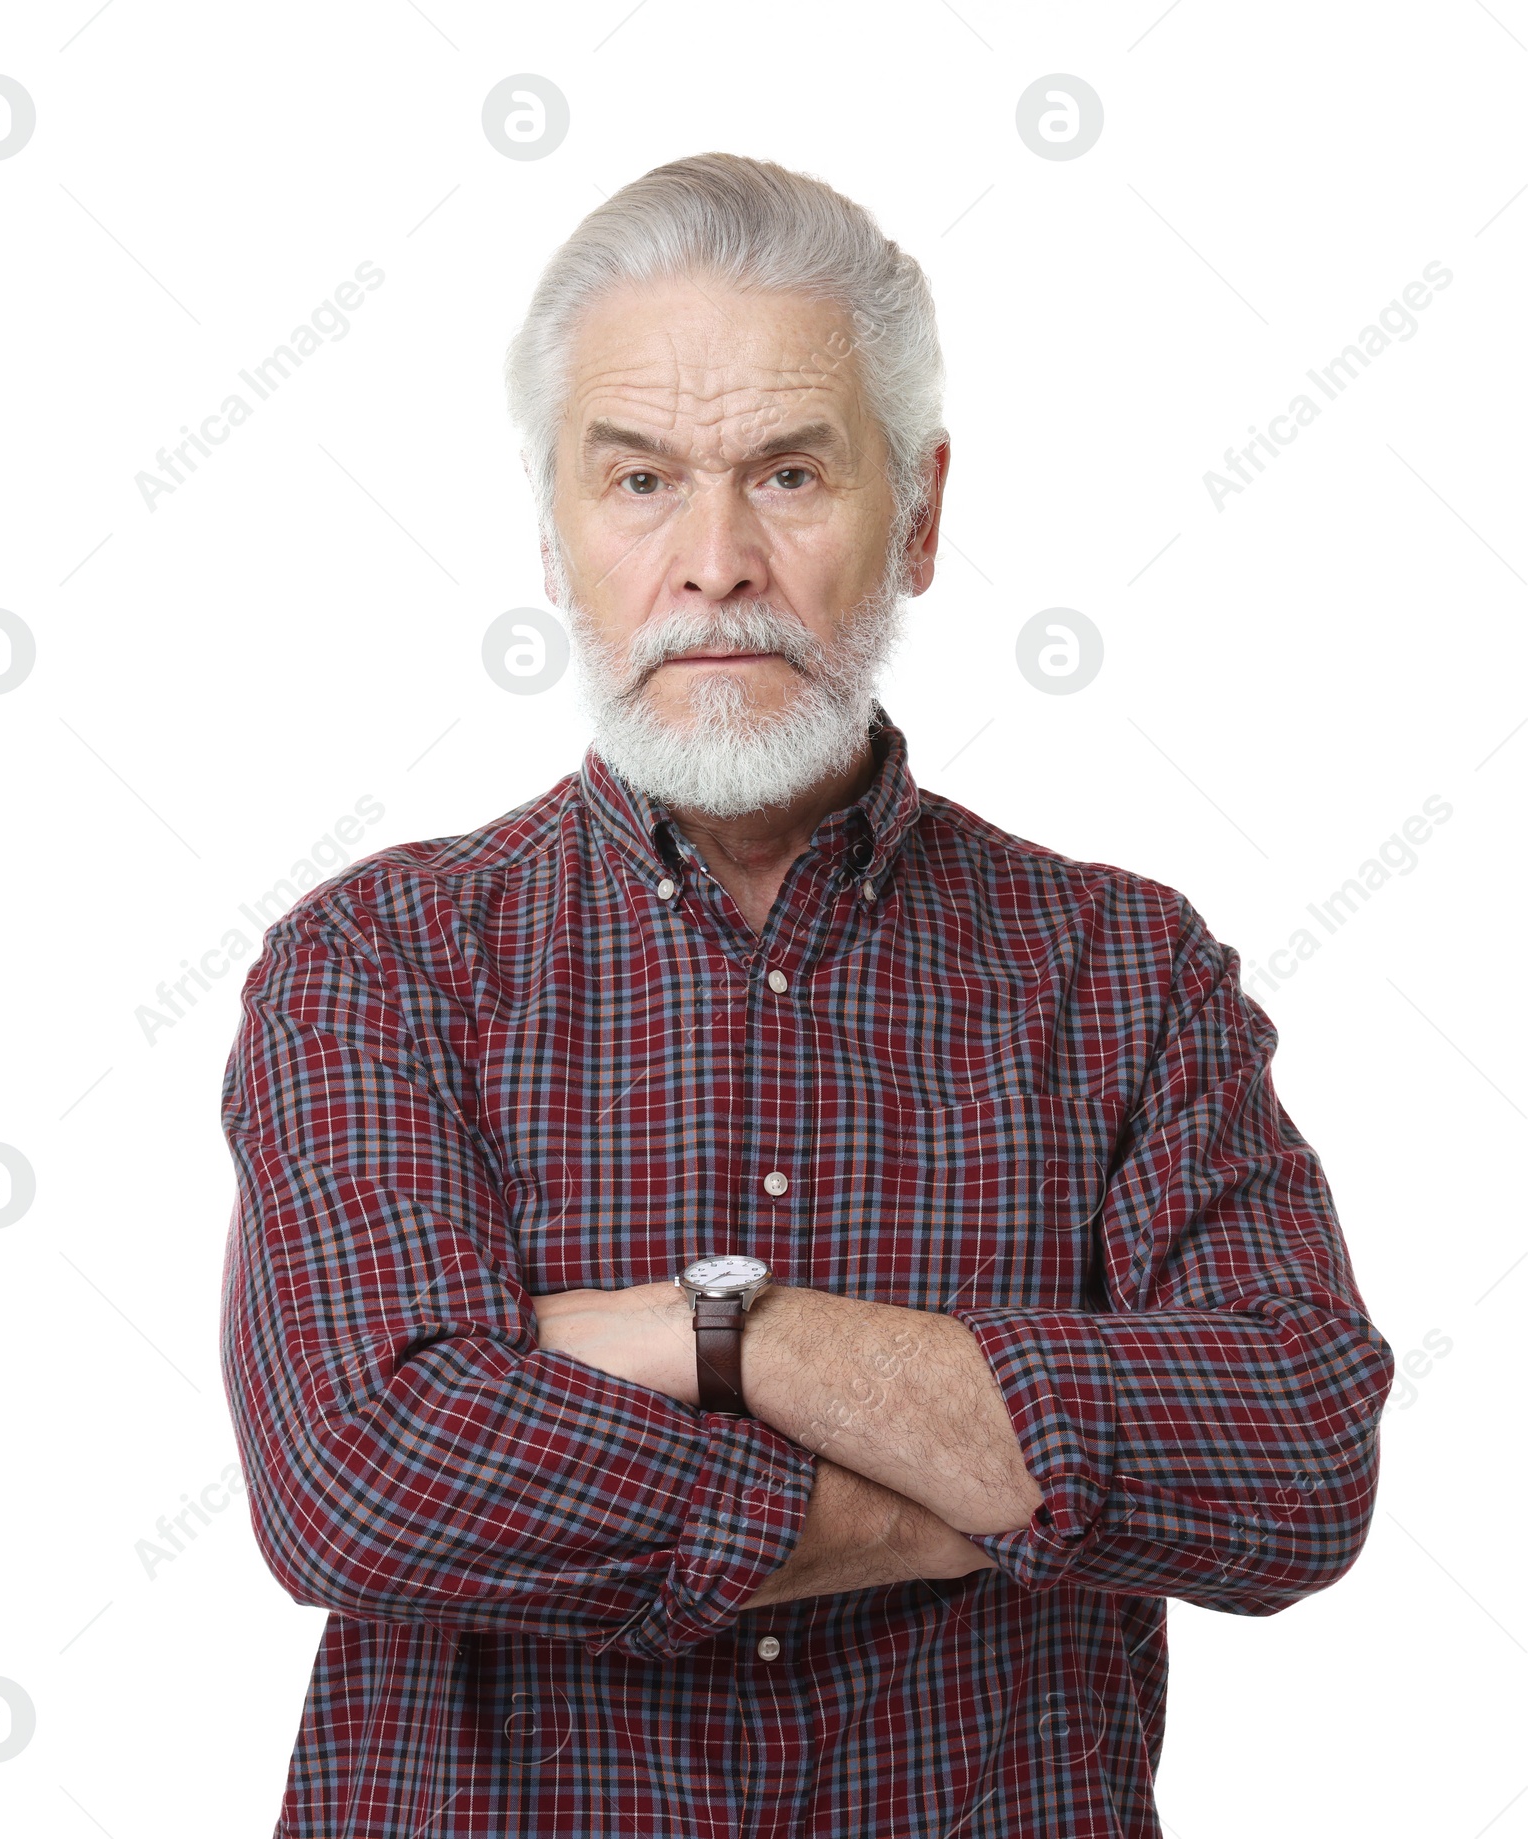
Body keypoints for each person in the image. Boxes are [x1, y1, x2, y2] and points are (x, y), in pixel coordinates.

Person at [219, 150, 1394, 1838]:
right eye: (637, 482)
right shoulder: (380, 959)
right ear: (553, 533)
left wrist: (725, 1333)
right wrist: (973, 1492)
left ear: (917, 515)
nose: (714, 562)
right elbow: (368, 1481)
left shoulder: (1126, 974)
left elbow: (1291, 1458)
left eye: (788, 472)